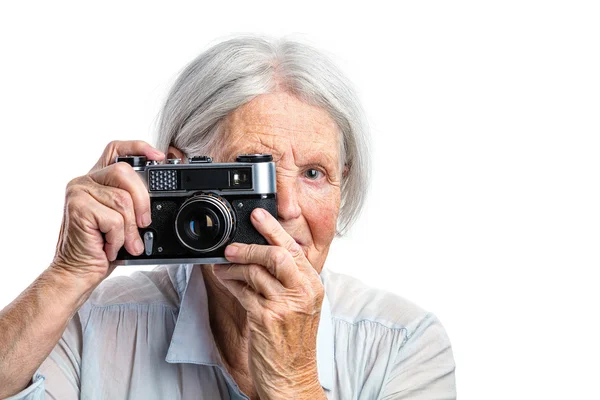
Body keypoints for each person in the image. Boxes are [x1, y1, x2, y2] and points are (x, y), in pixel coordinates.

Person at [0, 36, 456, 399]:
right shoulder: (92, 322)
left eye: (315, 173)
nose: (289, 208)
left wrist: (293, 382)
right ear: (177, 174)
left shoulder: (404, 345)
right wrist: (66, 276)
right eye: (252, 175)